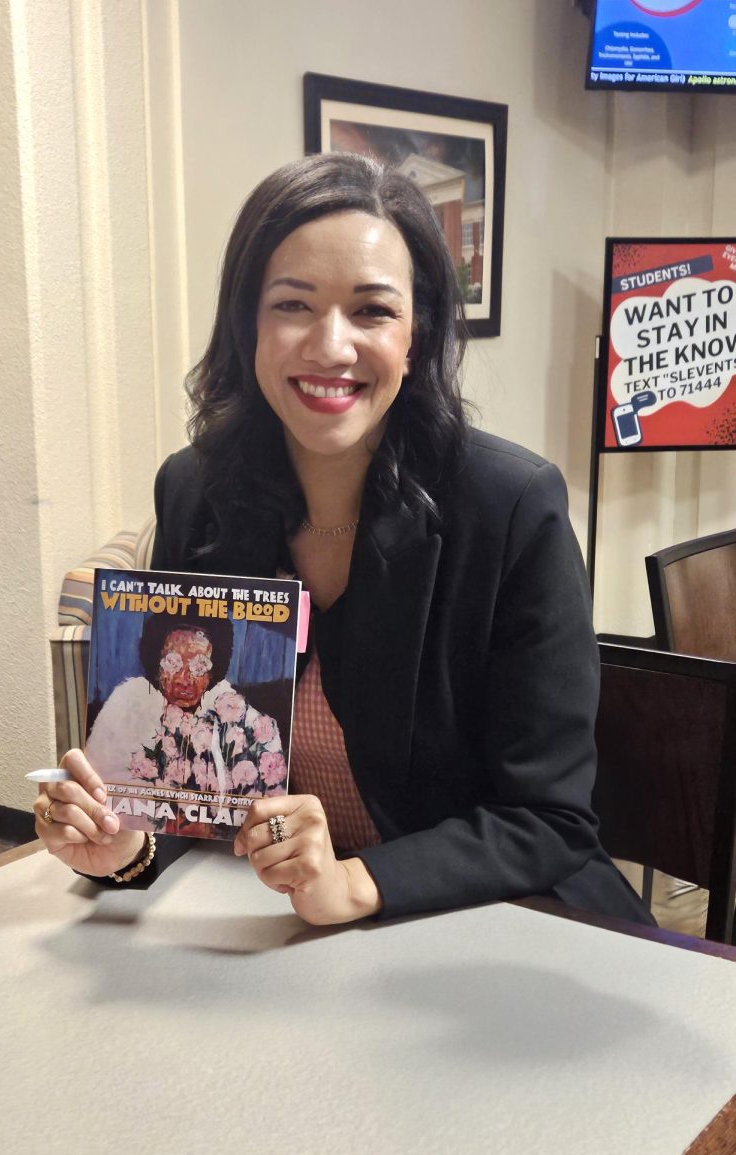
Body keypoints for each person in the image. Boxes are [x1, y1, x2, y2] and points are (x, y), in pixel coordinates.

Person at [35, 152, 652, 929]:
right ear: (247, 322)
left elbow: (551, 822)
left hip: (490, 924)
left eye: (372, 311)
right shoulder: (195, 490)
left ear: (416, 333)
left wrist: (359, 882)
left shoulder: (509, 508)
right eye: (294, 305)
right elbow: (194, 785)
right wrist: (125, 849)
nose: (331, 346)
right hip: (272, 929)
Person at [85, 610, 287, 824]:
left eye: (199, 666)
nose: (184, 679)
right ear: (156, 664)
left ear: (213, 671)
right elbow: (100, 785)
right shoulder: (127, 706)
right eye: (172, 663)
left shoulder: (236, 714)